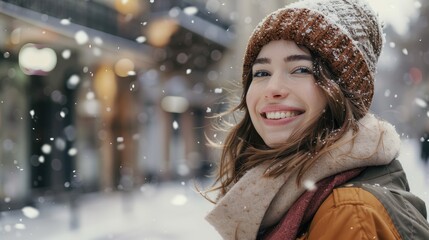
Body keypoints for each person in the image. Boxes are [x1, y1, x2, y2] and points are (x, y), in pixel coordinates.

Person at [203, 0, 429, 239]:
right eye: (261, 73)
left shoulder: (348, 213)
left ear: (343, 92)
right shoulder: (298, 193)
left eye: (301, 69)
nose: (273, 88)